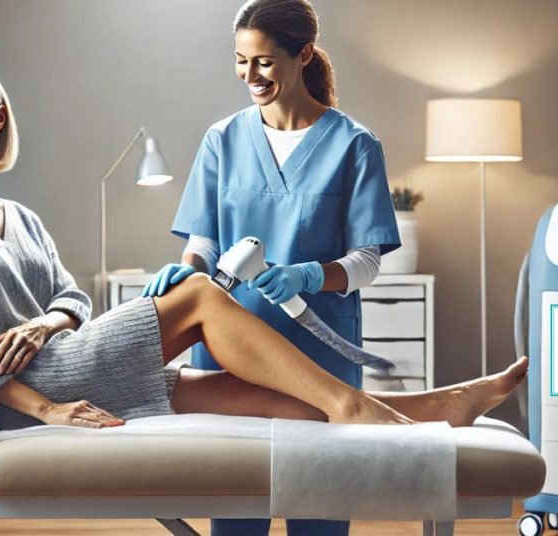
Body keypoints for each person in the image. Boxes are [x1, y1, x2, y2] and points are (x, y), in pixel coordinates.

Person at [0, 57, 526, 461]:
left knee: (266, 397)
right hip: (46, 384)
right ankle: (357, 406)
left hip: (68, 354)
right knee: (199, 296)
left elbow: (73, 300)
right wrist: (49, 410)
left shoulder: (18, 216)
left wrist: (43, 322)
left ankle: (443, 405)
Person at [144, 1, 412, 534]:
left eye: (264, 62)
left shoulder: (354, 145)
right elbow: (203, 240)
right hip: (231, 352)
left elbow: (366, 262)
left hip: (319, 350)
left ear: (303, 54)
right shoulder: (223, 139)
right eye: (241, 61)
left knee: (321, 515)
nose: (251, 75)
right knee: (238, 512)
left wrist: (308, 275)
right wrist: (188, 271)